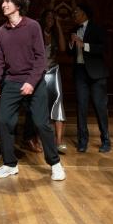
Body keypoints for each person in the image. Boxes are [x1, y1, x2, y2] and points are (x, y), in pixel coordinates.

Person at [0, 0, 66, 181]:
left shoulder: (32, 26)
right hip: (11, 82)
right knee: (5, 122)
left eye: (8, 2)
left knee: (41, 123)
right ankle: (9, 164)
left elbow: (41, 58)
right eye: (2, 2)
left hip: (34, 81)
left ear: (18, 5)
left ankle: (55, 163)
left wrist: (31, 83)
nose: (4, 5)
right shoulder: (0, 32)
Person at [70, 3, 111, 153]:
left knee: (100, 108)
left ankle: (106, 141)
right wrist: (71, 43)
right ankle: (82, 141)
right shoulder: (73, 30)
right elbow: (70, 53)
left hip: (97, 74)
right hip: (80, 72)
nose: (74, 14)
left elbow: (103, 48)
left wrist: (84, 45)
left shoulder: (97, 28)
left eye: (76, 11)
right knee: (81, 108)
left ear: (84, 14)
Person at [40, 9, 67, 153]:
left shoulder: (56, 34)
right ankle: (40, 140)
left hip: (53, 71)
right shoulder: (37, 32)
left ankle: (59, 142)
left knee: (58, 103)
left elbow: (63, 48)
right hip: (39, 73)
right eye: (48, 17)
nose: (50, 20)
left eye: (53, 18)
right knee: (41, 105)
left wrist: (58, 25)